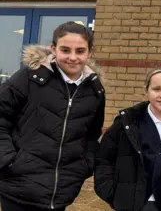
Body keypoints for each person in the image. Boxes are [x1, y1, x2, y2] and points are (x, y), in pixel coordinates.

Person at [0, 21, 105, 210]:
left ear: (90, 53)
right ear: (53, 49)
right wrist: (9, 161)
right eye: (65, 50)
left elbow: (91, 134)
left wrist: (83, 166)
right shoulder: (29, 79)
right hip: (18, 188)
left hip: (61, 192)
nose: (73, 57)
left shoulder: (95, 91)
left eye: (80, 51)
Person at [94, 68, 161, 211]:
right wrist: (112, 192)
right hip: (132, 204)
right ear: (146, 91)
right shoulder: (126, 124)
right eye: (156, 89)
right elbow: (104, 159)